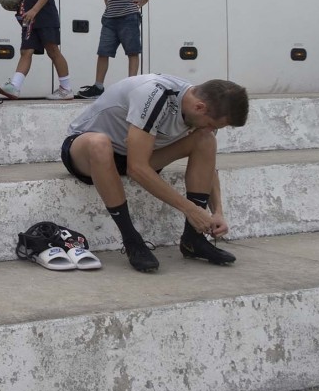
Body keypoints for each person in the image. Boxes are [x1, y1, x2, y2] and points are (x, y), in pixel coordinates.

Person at [61, 74, 249, 273]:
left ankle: (193, 240)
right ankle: (131, 239)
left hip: (134, 154)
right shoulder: (154, 95)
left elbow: (210, 165)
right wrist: (191, 209)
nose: (212, 128)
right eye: (213, 124)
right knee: (99, 143)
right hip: (86, 153)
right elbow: (136, 168)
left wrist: (217, 211)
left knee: (205, 139)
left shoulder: (204, 109)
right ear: (200, 107)